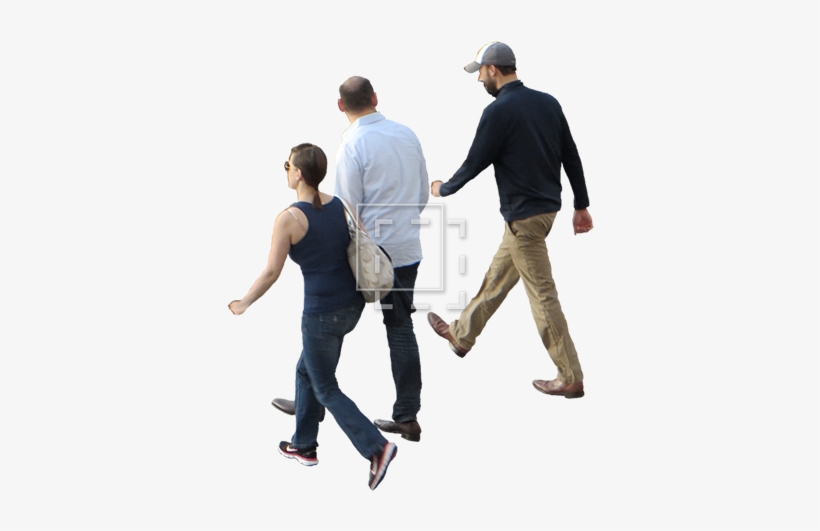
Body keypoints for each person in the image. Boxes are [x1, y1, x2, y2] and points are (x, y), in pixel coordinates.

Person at [428, 42, 593, 398]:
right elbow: (571, 154)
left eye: (480, 73)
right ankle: (462, 334)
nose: (479, 82)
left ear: (493, 69)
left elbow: (475, 162)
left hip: (524, 217)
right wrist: (581, 203)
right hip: (545, 211)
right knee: (499, 275)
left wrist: (444, 189)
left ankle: (570, 375)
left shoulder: (498, 112)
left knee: (543, 295)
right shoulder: (548, 103)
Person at [228, 143, 397, 490]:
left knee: (326, 386)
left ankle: (377, 449)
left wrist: (244, 301)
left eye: (287, 165)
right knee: (305, 370)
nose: (286, 170)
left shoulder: (289, 218)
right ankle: (303, 444)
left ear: (299, 173)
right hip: (352, 306)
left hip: (321, 315)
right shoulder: (342, 205)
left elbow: (272, 272)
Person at [272, 77, 429, 442]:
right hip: (406, 250)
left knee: (325, 322)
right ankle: (407, 416)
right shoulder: (408, 134)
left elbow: (345, 210)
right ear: (375, 98)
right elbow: (421, 193)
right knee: (400, 329)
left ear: (340, 106)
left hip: (366, 255)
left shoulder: (353, 145)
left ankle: (313, 396)